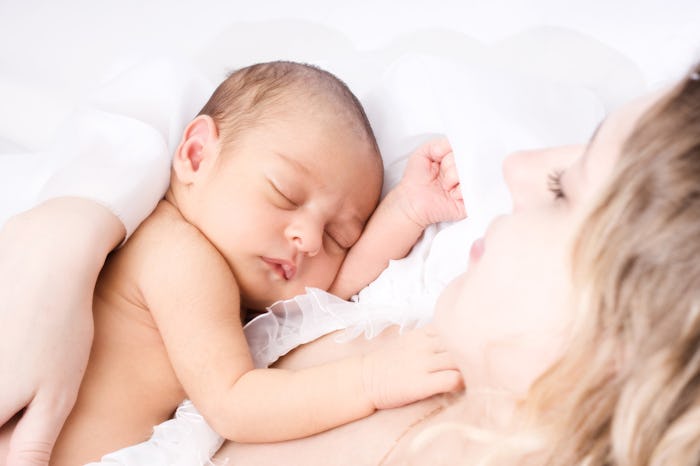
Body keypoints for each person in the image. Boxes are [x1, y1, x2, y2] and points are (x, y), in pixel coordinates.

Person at [202, 62, 700, 465]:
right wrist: (406, 210)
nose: (514, 165)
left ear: (635, 338)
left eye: (562, 191)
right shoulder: (431, 309)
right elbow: (328, 296)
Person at [0, 61, 465, 465]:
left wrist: (408, 210)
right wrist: (372, 379)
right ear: (196, 155)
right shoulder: (177, 255)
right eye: (285, 194)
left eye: (337, 237)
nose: (308, 239)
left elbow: (328, 297)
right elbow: (236, 404)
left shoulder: (230, 267)